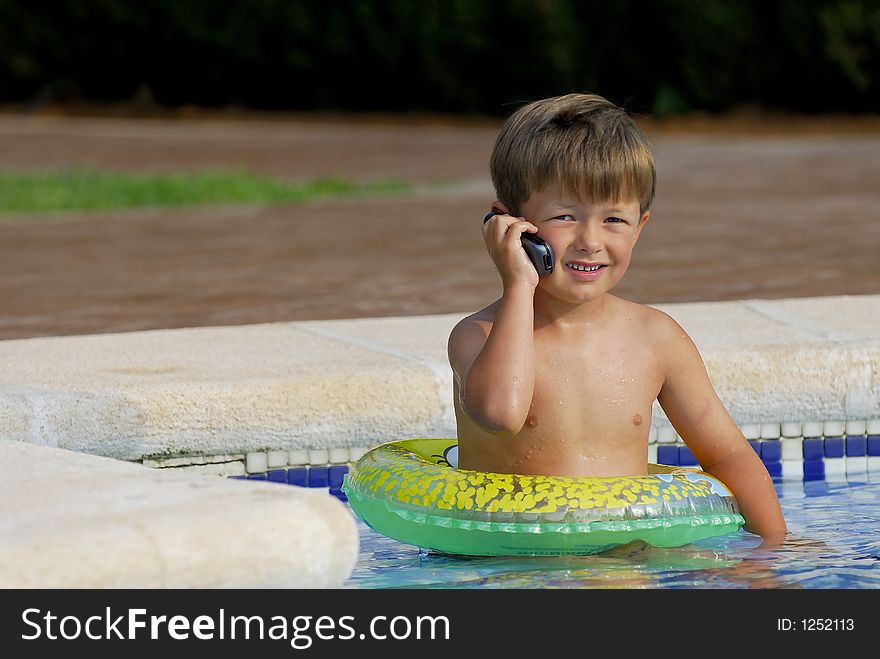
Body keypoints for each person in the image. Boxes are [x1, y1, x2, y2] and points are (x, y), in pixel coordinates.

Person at [446, 93, 787, 544]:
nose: (590, 241)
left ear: (640, 226)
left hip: (627, 559)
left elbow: (728, 457)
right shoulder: (478, 336)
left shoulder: (655, 339)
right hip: (515, 562)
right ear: (509, 225)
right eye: (564, 216)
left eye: (613, 219)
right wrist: (518, 285)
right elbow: (501, 413)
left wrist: (771, 555)